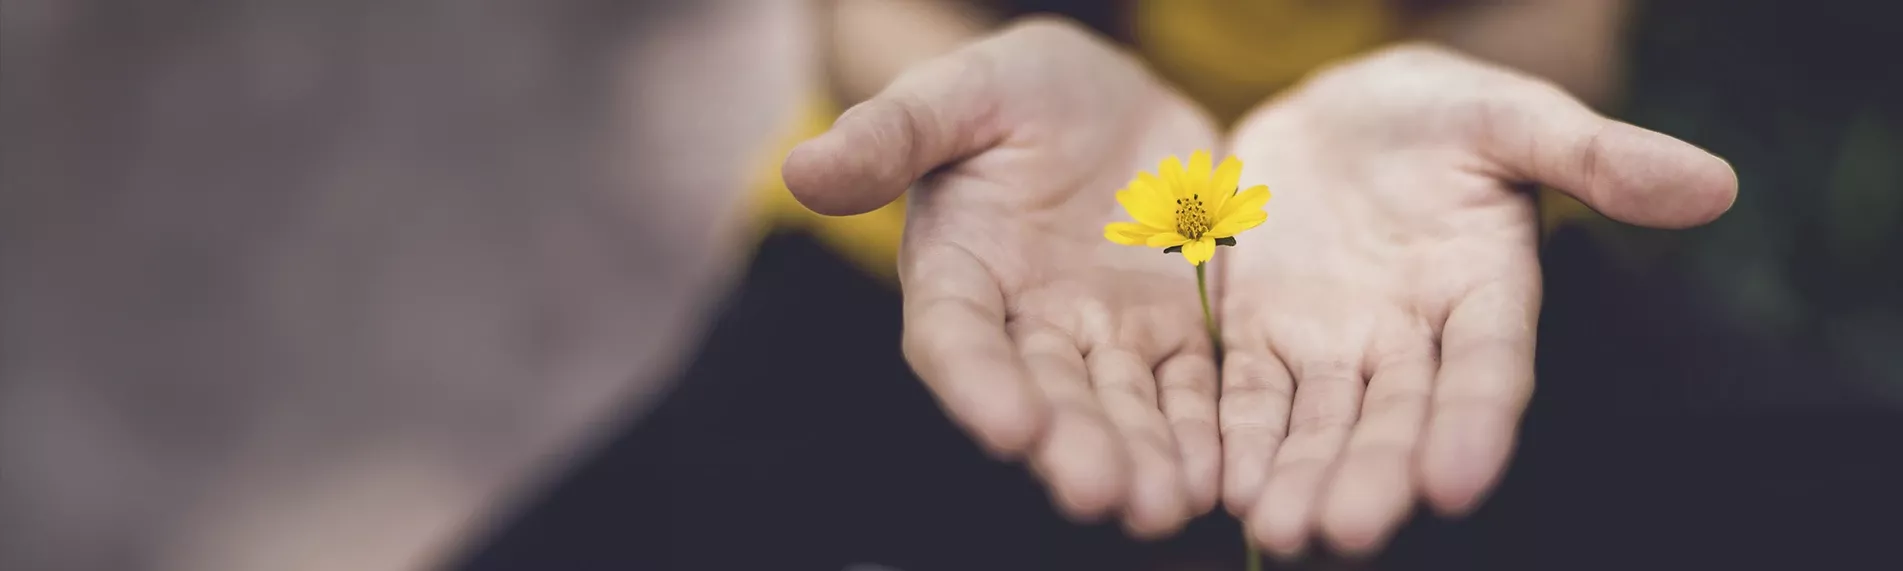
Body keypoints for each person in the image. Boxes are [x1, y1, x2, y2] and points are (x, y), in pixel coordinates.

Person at [772, 0, 1736, 559]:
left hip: (1428, 241)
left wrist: (1460, 94)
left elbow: (1555, 21)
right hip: (986, 234)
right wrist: (951, 87)